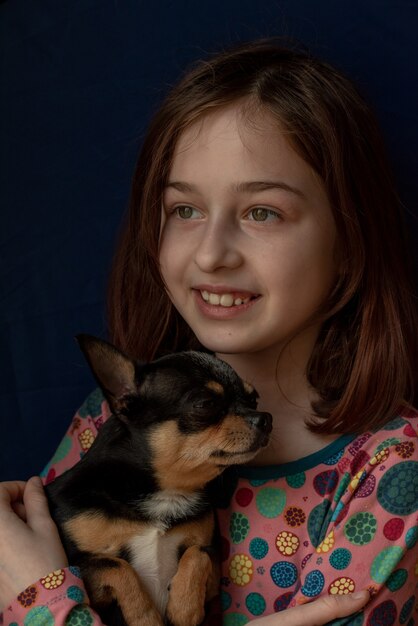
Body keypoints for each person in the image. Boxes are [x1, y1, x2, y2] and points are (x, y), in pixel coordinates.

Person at [1, 39, 417, 626]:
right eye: (185, 210)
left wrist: (41, 602)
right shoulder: (113, 416)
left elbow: (28, 590)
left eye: (262, 212)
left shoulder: (392, 470)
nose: (211, 254)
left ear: (350, 240)